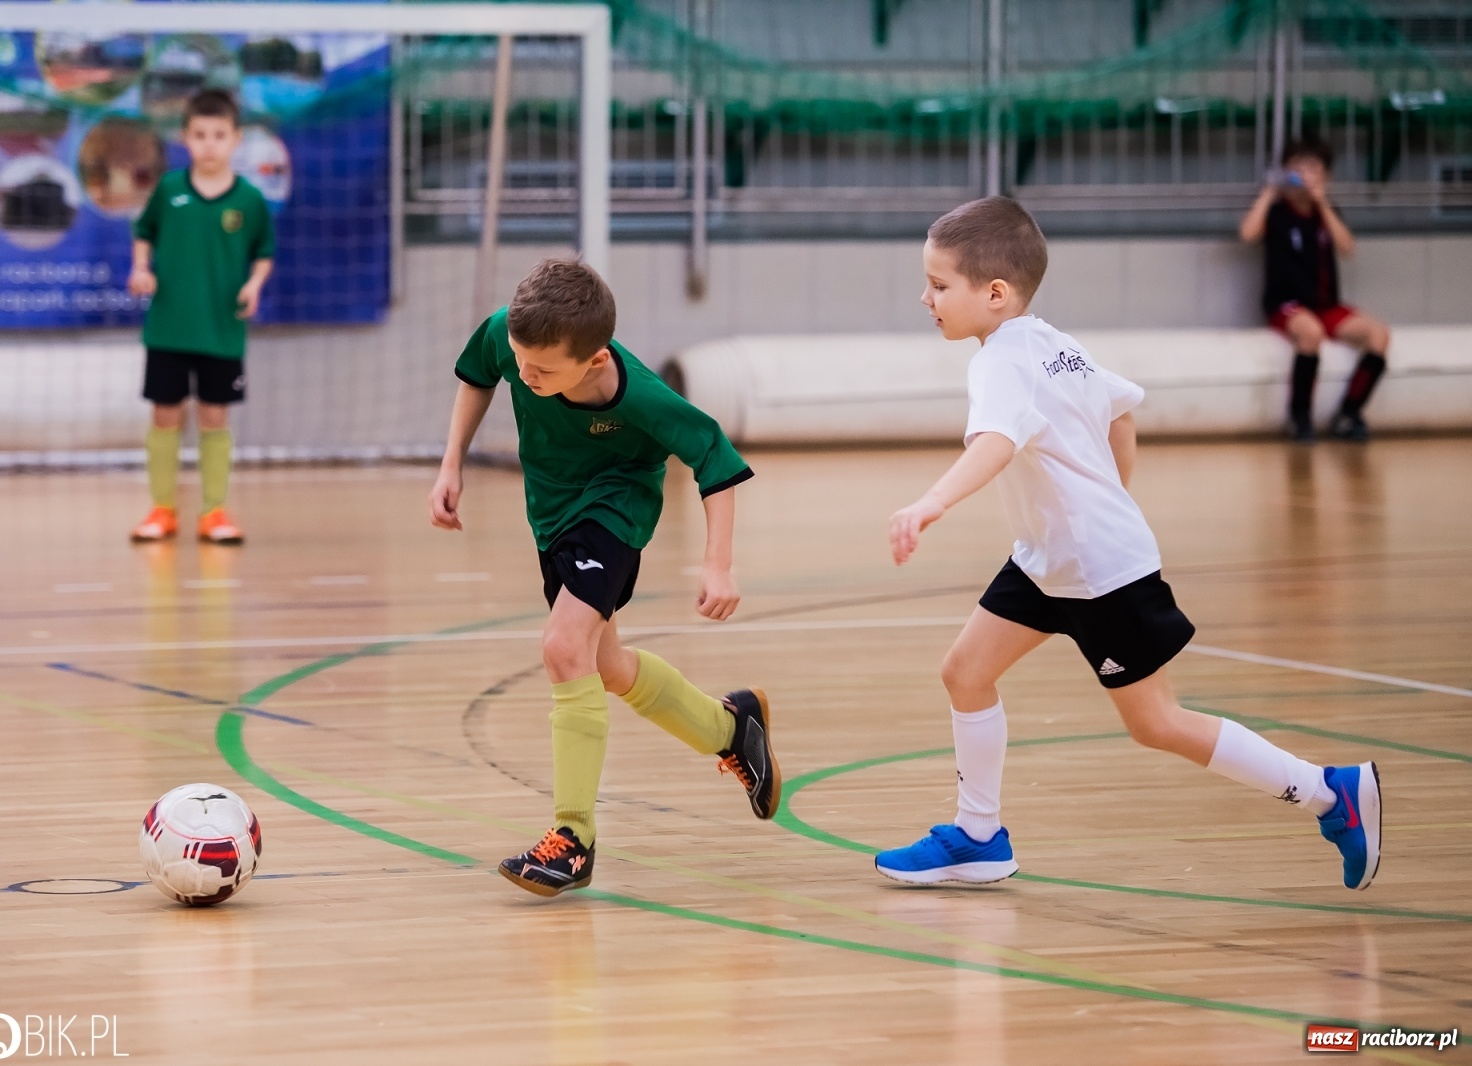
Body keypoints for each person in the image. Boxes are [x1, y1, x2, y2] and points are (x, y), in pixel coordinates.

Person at [874, 197, 1382, 892]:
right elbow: (1123, 412)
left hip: (1098, 571)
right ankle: (978, 837)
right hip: (1049, 559)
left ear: (994, 294)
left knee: (1157, 723)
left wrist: (931, 503)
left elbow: (994, 444)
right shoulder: (1055, 343)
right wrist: (1111, 495)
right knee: (965, 671)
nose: (925, 298)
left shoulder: (1002, 363)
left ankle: (1330, 793)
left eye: (938, 285)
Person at [429, 258, 780, 897]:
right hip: (551, 514)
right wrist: (451, 464)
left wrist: (718, 564)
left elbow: (717, 459)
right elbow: (478, 374)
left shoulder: (640, 397)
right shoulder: (512, 335)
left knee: (564, 648)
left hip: (615, 507)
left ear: (592, 361)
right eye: (520, 359)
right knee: (606, 668)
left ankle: (572, 839)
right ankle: (732, 728)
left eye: (541, 370)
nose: (523, 374)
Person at [127, 89, 274, 545]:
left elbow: (264, 253)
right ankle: (161, 510)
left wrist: (253, 285)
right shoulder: (169, 189)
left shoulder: (249, 200)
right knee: (164, 417)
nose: (209, 143)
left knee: (215, 419)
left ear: (235, 139)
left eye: (219, 135)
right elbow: (143, 232)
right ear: (185, 139)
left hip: (222, 332)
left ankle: (214, 513)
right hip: (169, 329)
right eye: (200, 135)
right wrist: (140, 268)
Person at [1239, 138, 1390, 442]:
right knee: (1310, 334)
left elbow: (1347, 248)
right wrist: (1270, 192)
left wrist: (1322, 203)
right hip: (1288, 304)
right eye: (1296, 167)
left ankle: (1349, 413)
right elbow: (1248, 234)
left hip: (1326, 304)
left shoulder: (1327, 211)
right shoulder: (1278, 212)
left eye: (1312, 168)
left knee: (1378, 335)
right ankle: (1300, 417)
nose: (1304, 174)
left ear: (1326, 176)